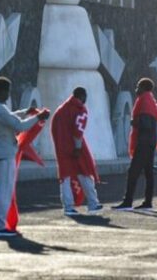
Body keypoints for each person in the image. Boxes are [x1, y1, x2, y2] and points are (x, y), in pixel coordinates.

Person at [0, 77, 49, 237]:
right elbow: (19, 126)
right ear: (3, 91)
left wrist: (26, 111)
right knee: (4, 192)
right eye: (8, 91)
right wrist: (38, 117)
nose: (8, 94)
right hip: (4, 155)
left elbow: (10, 117)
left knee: (2, 191)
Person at [113, 78, 157, 211]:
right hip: (150, 141)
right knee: (148, 173)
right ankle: (147, 202)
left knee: (133, 172)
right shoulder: (150, 100)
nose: (136, 89)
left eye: (138, 86)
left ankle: (128, 201)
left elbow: (145, 124)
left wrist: (134, 123)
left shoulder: (145, 101)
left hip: (143, 141)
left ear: (143, 87)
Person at [51, 87, 102, 216]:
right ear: (82, 96)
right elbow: (78, 131)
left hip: (62, 147)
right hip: (75, 147)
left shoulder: (61, 109)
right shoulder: (80, 109)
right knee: (85, 172)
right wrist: (78, 147)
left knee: (65, 177)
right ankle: (93, 203)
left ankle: (68, 206)